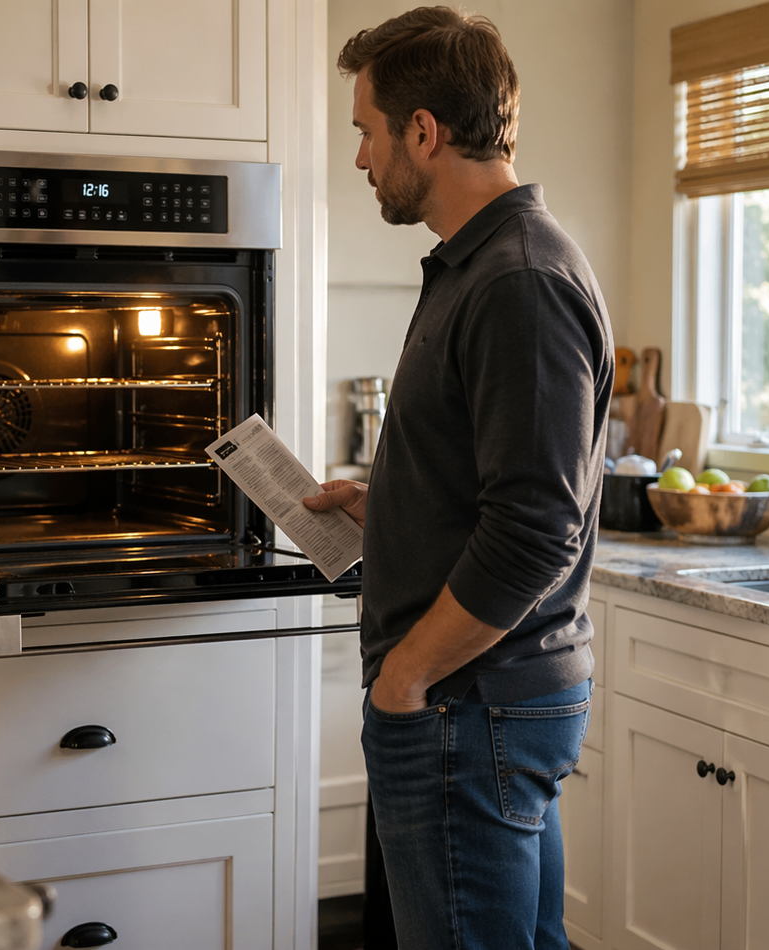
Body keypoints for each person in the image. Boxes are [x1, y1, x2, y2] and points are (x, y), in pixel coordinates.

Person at [303, 8, 615, 948]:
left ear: (425, 132)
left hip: (466, 704)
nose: (361, 158)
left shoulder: (518, 280)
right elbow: (493, 487)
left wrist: (407, 675)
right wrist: (390, 505)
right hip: (479, 705)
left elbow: (532, 529)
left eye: (366, 130)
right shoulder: (476, 268)